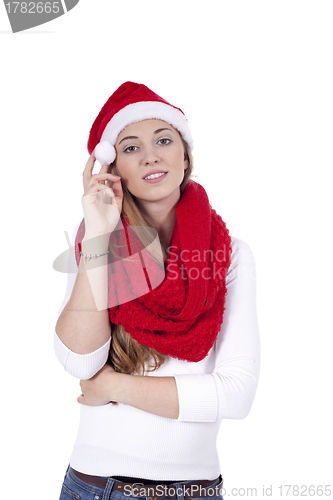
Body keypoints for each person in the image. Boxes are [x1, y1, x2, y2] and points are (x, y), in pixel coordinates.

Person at [54, 81, 260, 500]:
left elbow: (236, 394)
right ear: (112, 169)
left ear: (184, 155)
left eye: (163, 140)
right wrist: (98, 234)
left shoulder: (230, 254)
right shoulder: (94, 242)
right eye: (130, 147)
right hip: (97, 487)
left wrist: (114, 387)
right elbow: (79, 361)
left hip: (198, 490)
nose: (150, 155)